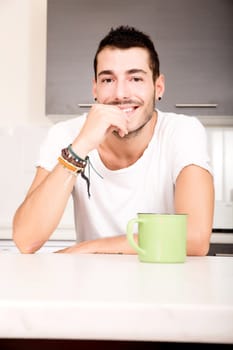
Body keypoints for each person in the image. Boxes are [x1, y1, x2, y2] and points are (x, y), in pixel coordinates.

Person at [12, 25, 214, 255]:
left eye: (135, 78)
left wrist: (90, 248)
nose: (120, 94)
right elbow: (25, 240)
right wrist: (80, 147)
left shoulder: (183, 131)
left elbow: (196, 238)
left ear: (158, 87)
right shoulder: (66, 134)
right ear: (95, 88)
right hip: (93, 286)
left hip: (163, 284)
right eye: (108, 80)